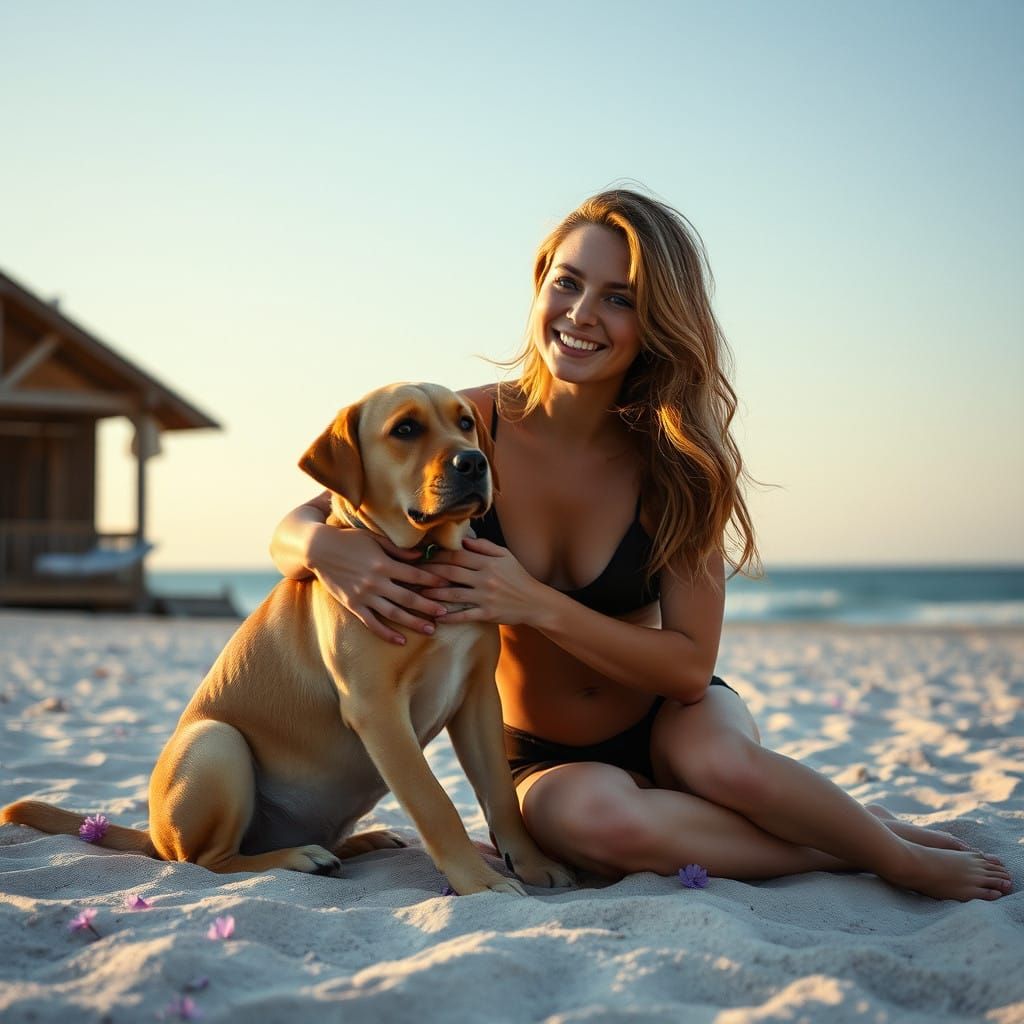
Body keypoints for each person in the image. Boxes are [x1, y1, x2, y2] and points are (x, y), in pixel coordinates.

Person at [271, 189, 1011, 901]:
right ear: (539, 289)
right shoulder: (463, 427)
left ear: (656, 320)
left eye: (619, 298)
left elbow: (690, 667)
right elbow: (298, 522)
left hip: (671, 717)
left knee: (722, 763)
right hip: (541, 753)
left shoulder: (676, 464)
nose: (582, 315)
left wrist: (534, 604)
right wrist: (326, 552)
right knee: (594, 822)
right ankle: (857, 843)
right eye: (567, 283)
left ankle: (895, 859)